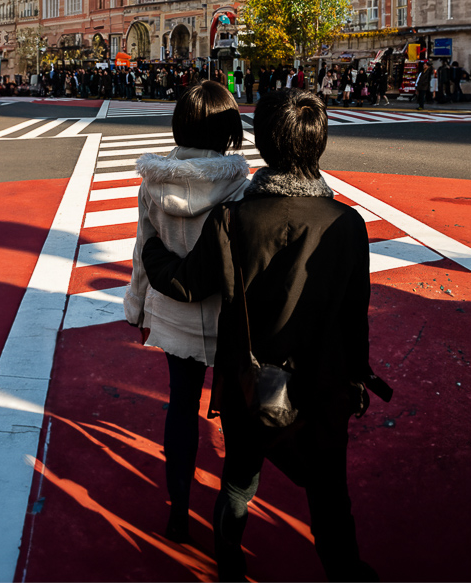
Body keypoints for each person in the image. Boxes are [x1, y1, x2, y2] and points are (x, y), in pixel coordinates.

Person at [143, 87, 380, 582]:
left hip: (250, 380)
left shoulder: (236, 219)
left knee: (239, 480)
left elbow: (189, 282)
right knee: (330, 488)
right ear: (318, 143)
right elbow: (356, 315)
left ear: (264, 143)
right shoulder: (347, 225)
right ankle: (344, 568)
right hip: (324, 380)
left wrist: (153, 253)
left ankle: (228, 558)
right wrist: (356, 376)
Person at [123, 80, 251, 544]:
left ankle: (178, 508)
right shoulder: (239, 185)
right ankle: (228, 521)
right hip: (228, 318)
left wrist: (137, 312)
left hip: (174, 314)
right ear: (229, 131)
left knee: (181, 408)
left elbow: (142, 252)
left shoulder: (153, 182)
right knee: (236, 417)